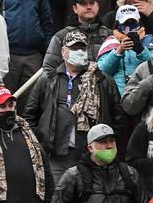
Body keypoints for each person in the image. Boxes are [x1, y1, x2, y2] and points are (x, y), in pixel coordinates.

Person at [24, 31, 127, 181]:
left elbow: (119, 119)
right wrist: (40, 143)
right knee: (57, 199)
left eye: (82, 48)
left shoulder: (102, 80)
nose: (79, 52)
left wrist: (107, 146)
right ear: (63, 51)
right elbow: (30, 115)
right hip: (56, 156)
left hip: (92, 157)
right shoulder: (48, 79)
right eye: (74, 48)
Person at [51, 122, 142, 203]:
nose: (109, 145)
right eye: (103, 142)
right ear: (90, 148)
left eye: (112, 141)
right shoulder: (74, 176)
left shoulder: (129, 174)